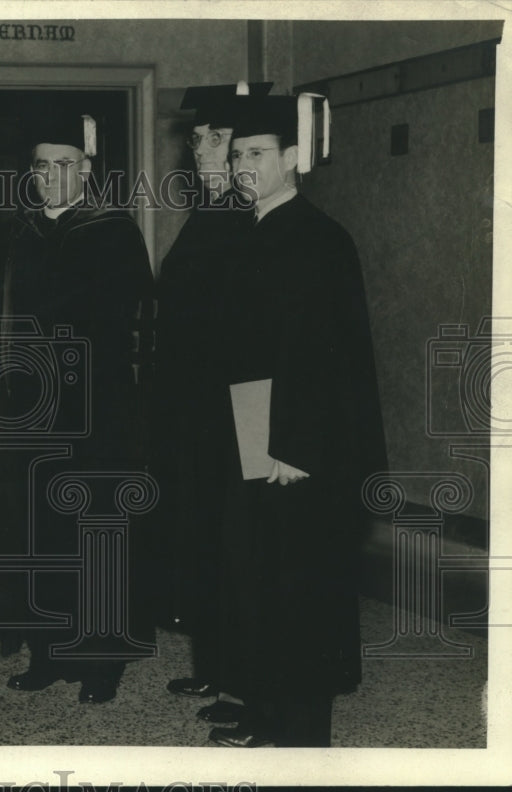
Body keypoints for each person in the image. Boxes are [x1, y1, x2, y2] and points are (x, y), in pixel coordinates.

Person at [207, 93, 386, 747]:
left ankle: (303, 735)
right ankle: (264, 711)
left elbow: (327, 359)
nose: (242, 165)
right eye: (236, 155)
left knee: (299, 586)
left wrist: (292, 445)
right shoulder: (252, 230)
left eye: (255, 153)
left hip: (296, 440)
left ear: (290, 158)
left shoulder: (318, 238)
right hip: (252, 423)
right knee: (257, 575)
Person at [1, 108, 154, 704]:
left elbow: (128, 325)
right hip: (34, 414)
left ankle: (101, 663)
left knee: (97, 535)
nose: (51, 176)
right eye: (42, 166)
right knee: (41, 537)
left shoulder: (115, 230)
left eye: (65, 164)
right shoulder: (22, 232)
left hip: (99, 412)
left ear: (86, 169)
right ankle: (48, 652)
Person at [152, 82, 269, 728]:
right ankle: (217, 670)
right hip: (199, 412)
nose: (199, 149)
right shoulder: (212, 213)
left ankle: (246, 686)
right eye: (197, 139)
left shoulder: (250, 221)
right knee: (208, 541)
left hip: (236, 413)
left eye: (214, 139)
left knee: (243, 546)